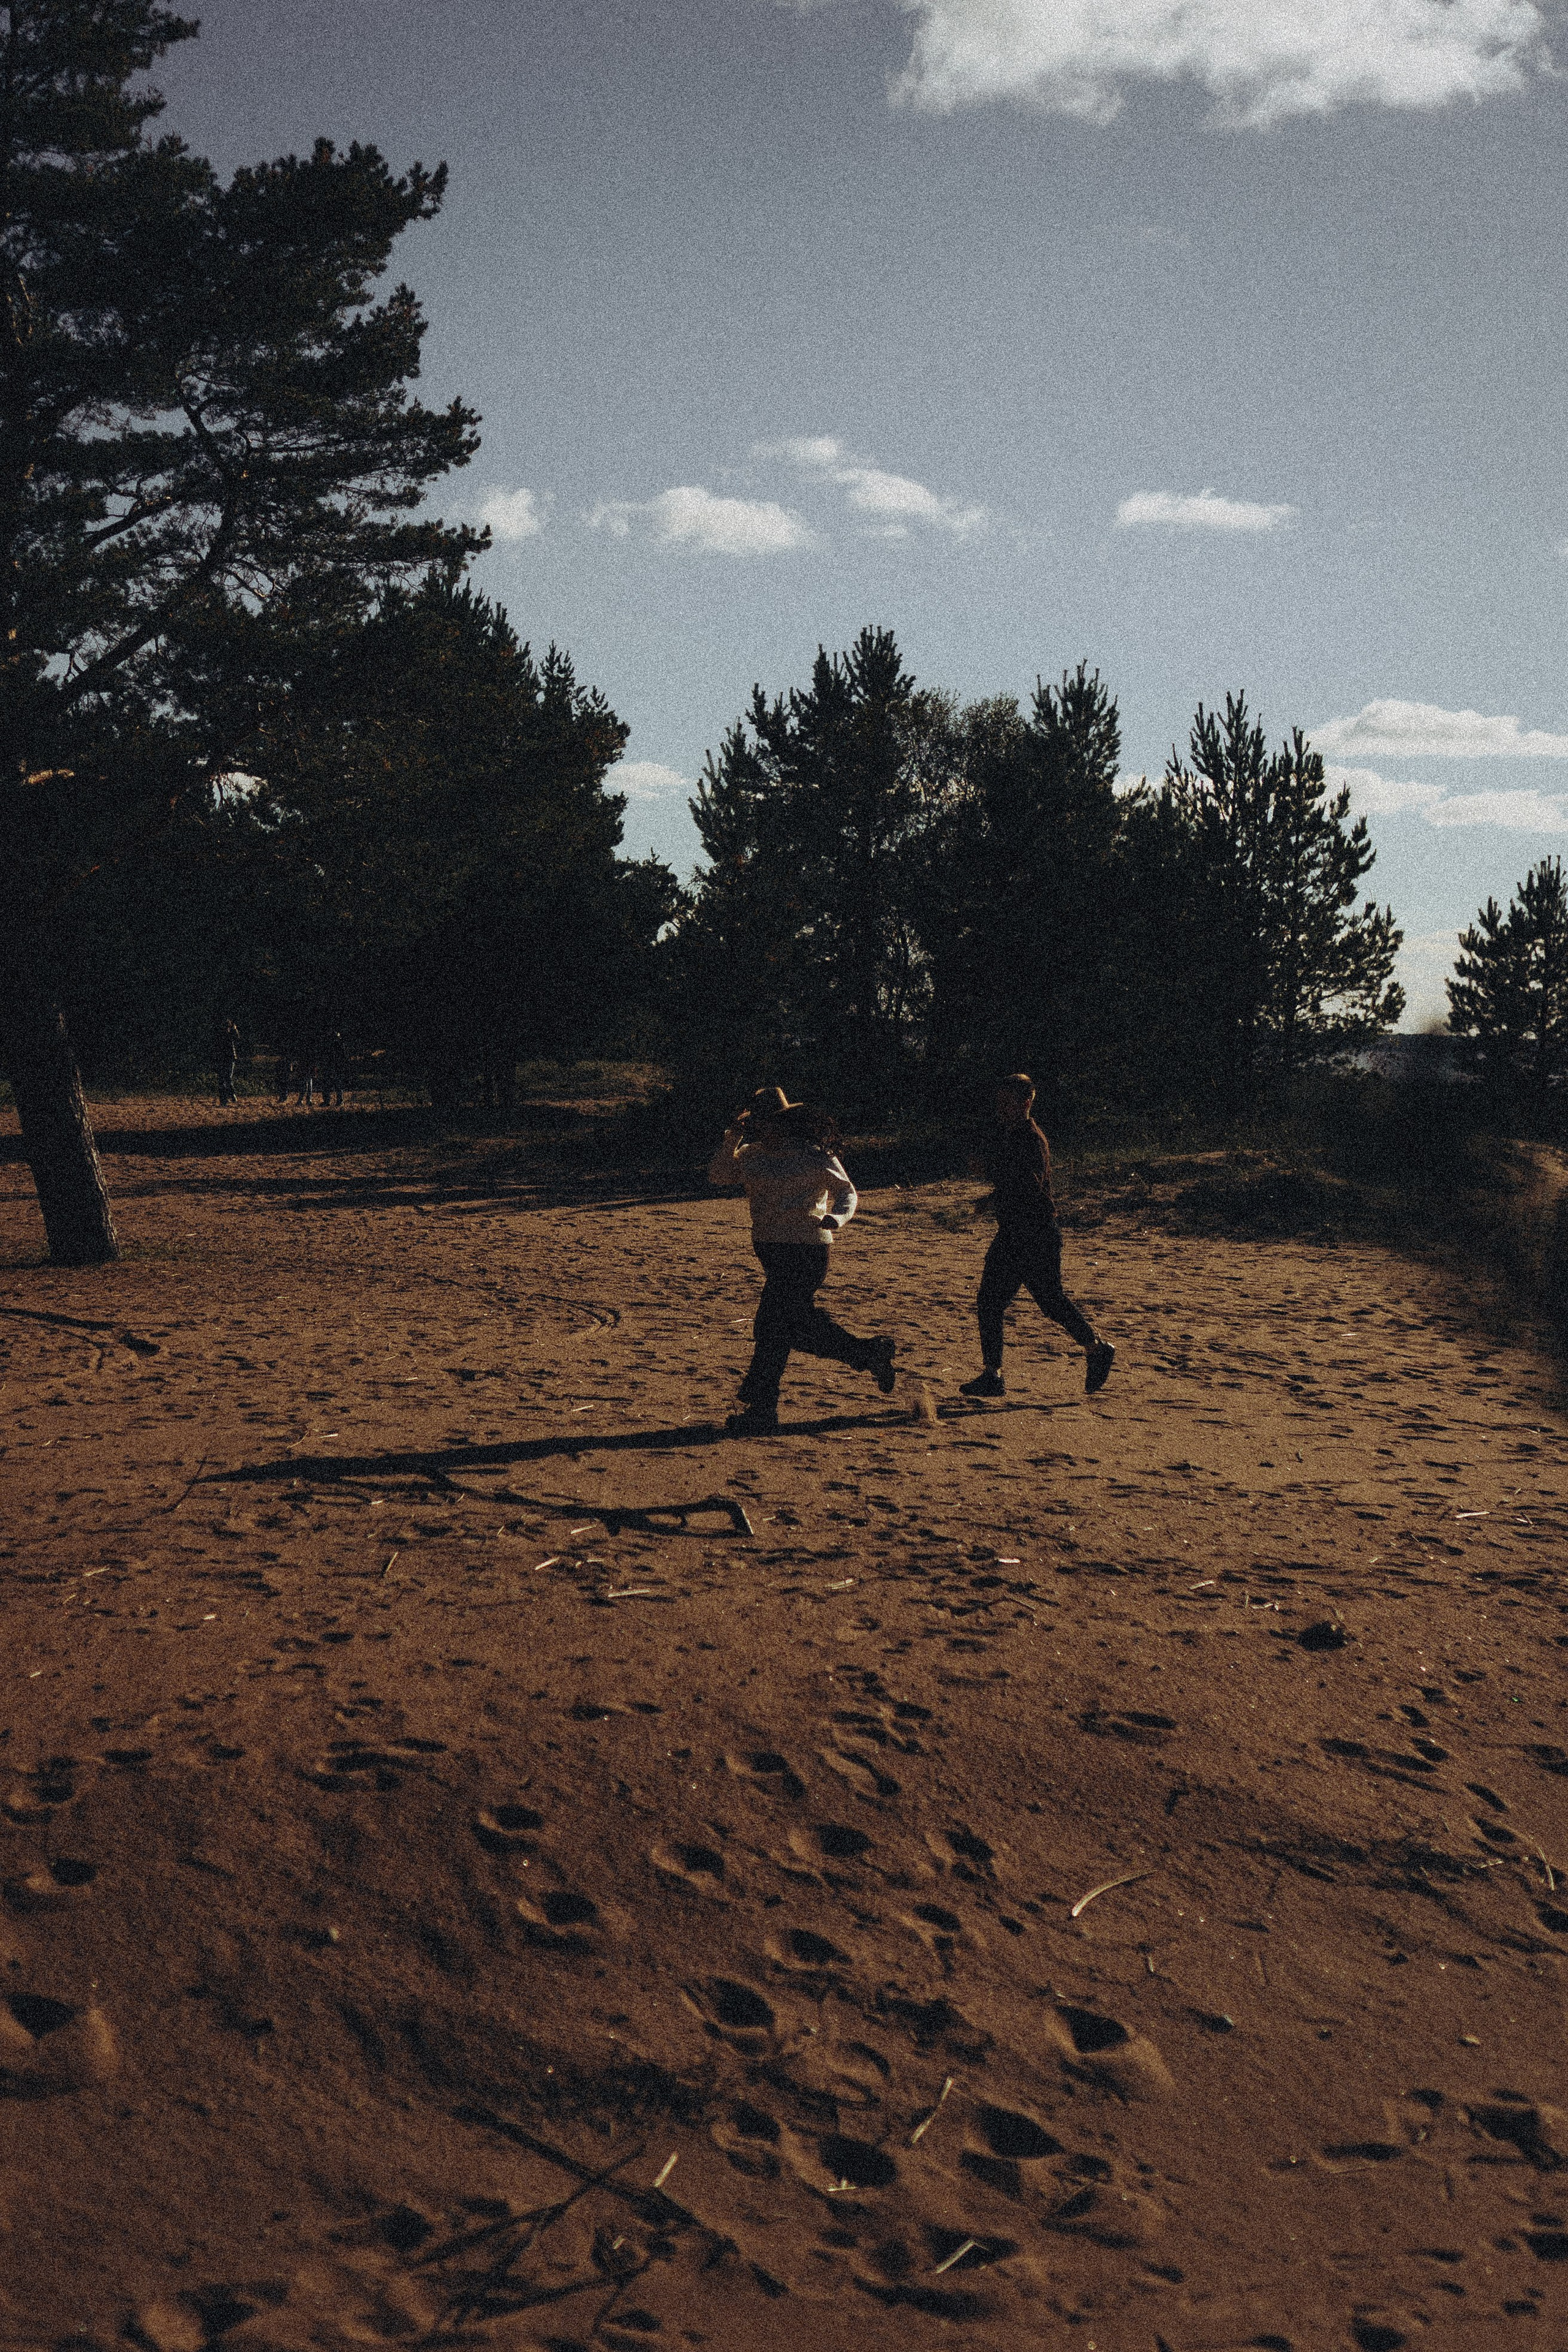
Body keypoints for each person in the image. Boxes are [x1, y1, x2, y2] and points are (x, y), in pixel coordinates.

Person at [708, 1086, 896, 1436]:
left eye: (768, 1122)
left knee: (770, 1328)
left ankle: (762, 1408)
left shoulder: (813, 1155)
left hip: (807, 1249)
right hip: (771, 1250)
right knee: (789, 1328)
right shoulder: (750, 1155)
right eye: (759, 1123)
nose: (763, 1129)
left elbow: (848, 1191)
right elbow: (718, 1176)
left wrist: (838, 1218)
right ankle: (868, 1353)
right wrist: (731, 1138)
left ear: (785, 1123)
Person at [959, 1072, 1115, 1401]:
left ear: (1025, 1103)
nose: (1000, 1108)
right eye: (998, 1102)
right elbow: (1019, 1184)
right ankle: (993, 1375)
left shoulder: (1030, 1138)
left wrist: (989, 1173)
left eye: (1006, 1103)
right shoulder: (1012, 1135)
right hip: (1017, 1231)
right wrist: (992, 1198)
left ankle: (1097, 1348)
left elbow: (1028, 1186)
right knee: (992, 1301)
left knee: (1050, 1302)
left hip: (1035, 1233)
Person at [215, 1016, 241, 1106]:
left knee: (225, 1078)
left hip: (227, 1058)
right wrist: (234, 1030)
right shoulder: (226, 1035)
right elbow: (237, 1038)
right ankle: (228, 1097)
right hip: (227, 1058)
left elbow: (237, 1039)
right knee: (225, 1078)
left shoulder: (225, 1035)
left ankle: (227, 1098)